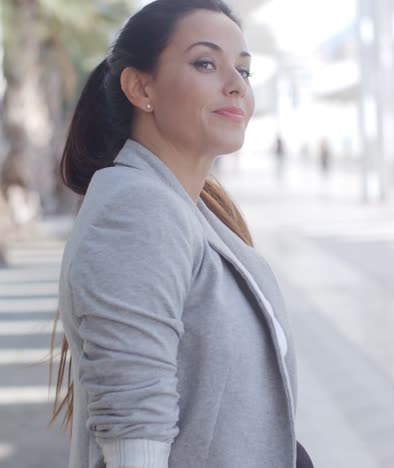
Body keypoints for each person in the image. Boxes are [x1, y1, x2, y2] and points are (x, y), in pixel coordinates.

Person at [48, 1, 314, 467]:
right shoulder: (136, 208)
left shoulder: (192, 211)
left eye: (244, 71)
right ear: (141, 86)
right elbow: (136, 436)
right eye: (206, 63)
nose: (236, 85)